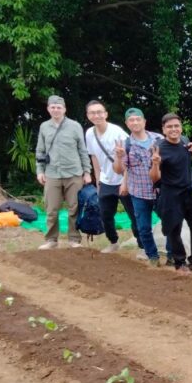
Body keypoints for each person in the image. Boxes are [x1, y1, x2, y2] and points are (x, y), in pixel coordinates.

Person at [149, 113, 192, 274]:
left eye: (176, 126)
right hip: (170, 194)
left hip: (189, 191)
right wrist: (155, 164)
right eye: (169, 127)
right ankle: (179, 262)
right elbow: (154, 179)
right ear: (163, 130)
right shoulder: (158, 149)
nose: (174, 129)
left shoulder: (184, 142)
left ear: (181, 128)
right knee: (174, 229)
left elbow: (186, 160)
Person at [35, 95, 91, 249]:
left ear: (64, 109)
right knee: (51, 209)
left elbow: (82, 150)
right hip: (52, 173)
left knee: (74, 208)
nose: (55, 110)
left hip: (74, 173)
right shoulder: (44, 127)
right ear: (48, 109)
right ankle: (51, 240)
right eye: (52, 107)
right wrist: (40, 171)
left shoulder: (75, 126)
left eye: (59, 107)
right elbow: (40, 151)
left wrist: (87, 172)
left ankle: (74, 239)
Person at [112, 108, 165, 265]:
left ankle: (171, 256)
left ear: (144, 121)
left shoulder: (159, 139)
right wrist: (119, 156)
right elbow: (119, 170)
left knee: (170, 224)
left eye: (138, 119)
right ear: (127, 124)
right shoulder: (125, 145)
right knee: (143, 228)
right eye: (131, 120)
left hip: (161, 191)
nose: (135, 122)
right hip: (139, 192)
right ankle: (153, 256)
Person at [84, 100, 135, 254]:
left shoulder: (117, 132)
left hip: (124, 179)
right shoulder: (89, 133)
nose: (96, 115)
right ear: (88, 115)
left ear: (106, 114)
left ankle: (142, 245)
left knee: (133, 214)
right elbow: (94, 157)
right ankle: (113, 242)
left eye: (99, 112)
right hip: (106, 180)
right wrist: (98, 180)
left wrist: (125, 182)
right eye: (92, 112)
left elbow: (129, 157)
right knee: (105, 214)